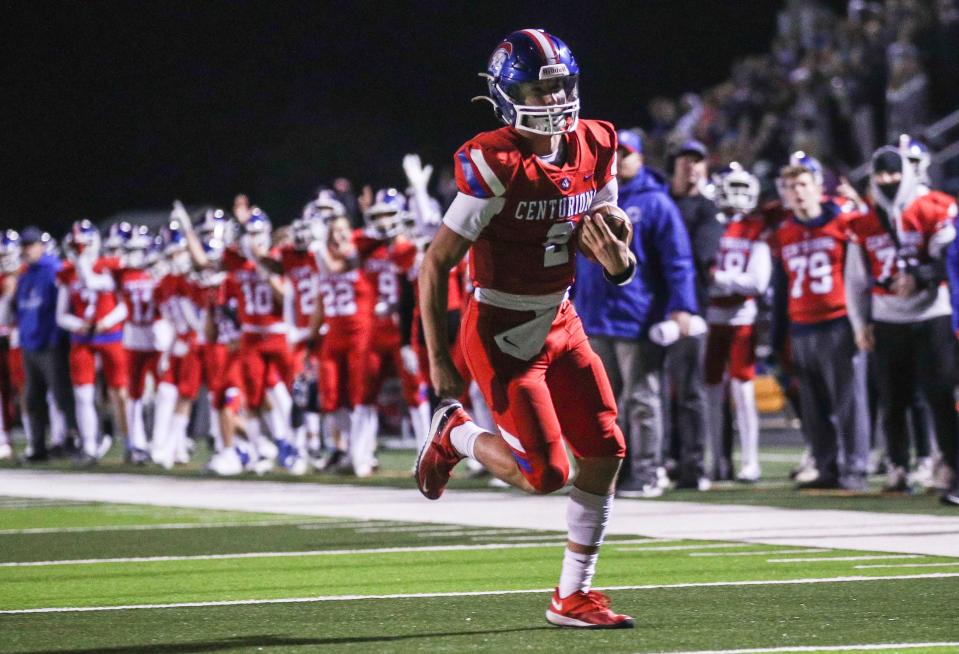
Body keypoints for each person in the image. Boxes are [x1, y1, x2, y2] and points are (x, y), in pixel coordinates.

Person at [415, 29, 635, 628]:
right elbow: (435, 264)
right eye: (539, 88)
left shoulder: (597, 142)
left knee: (606, 449)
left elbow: (603, 232)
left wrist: (622, 261)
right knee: (547, 475)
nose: (555, 99)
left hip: (561, 317)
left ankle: (573, 595)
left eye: (560, 84)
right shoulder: (495, 159)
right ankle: (455, 434)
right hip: (502, 332)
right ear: (509, 95)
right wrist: (438, 362)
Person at [574, 128, 699, 497]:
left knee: (641, 399)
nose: (617, 159)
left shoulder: (656, 202)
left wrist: (681, 307)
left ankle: (647, 471)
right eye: (613, 153)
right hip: (594, 315)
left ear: (640, 158)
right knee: (602, 405)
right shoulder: (588, 198)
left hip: (637, 317)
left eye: (625, 153)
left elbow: (678, 261)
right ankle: (613, 474)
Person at [847, 145, 958, 499]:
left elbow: (950, 261)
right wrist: (859, 323)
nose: (888, 181)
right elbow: (855, 280)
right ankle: (898, 465)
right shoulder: (863, 222)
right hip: (888, 317)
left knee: (940, 396)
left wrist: (922, 278)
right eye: (881, 175)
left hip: (931, 313)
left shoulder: (935, 207)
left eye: (894, 173)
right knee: (893, 398)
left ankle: (950, 466)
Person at [769, 163, 870, 490]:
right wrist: (778, 334)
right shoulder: (784, 232)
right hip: (801, 325)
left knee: (848, 402)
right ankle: (826, 465)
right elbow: (782, 286)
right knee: (814, 406)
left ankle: (854, 468)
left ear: (817, 187)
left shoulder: (844, 222)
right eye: (790, 187)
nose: (797, 192)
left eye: (802, 184)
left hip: (838, 321)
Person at [704, 163, 771, 483]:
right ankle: (717, 460)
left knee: (743, 390)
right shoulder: (708, 224)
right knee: (712, 392)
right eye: (734, 187)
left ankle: (749, 460)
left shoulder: (756, 227)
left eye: (745, 188)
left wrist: (720, 279)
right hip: (711, 317)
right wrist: (730, 282)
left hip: (742, 317)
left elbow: (757, 282)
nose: (739, 195)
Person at [665, 139, 720, 486]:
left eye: (698, 161)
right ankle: (661, 460)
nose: (692, 167)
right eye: (685, 160)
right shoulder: (662, 201)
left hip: (688, 308)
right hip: (652, 310)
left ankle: (693, 465)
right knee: (650, 392)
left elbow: (699, 256)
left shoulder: (707, 209)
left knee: (689, 391)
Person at [9, 227, 76, 461]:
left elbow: (63, 307)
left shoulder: (54, 271)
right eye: (24, 246)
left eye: (30, 245)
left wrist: (56, 338)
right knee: (32, 398)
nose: (27, 250)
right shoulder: (24, 274)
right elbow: (20, 309)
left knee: (61, 396)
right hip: (30, 345)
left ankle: (71, 441)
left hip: (50, 344)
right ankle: (38, 447)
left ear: (41, 246)